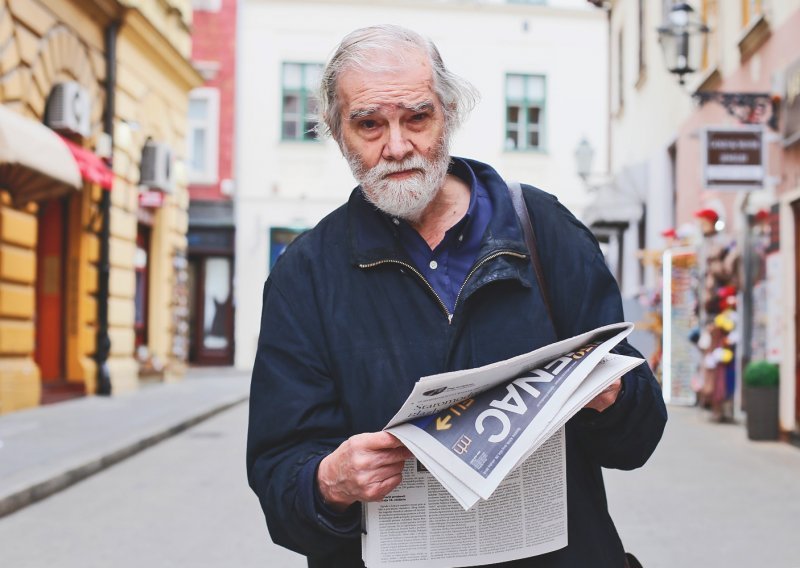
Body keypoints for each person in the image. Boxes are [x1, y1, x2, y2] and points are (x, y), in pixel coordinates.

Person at [247, 24, 667, 568]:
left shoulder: (544, 229)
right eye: (369, 124)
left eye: (417, 117)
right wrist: (330, 481)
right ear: (336, 132)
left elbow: (638, 439)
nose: (397, 146)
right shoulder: (305, 273)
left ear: (449, 113)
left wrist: (609, 396)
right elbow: (279, 474)